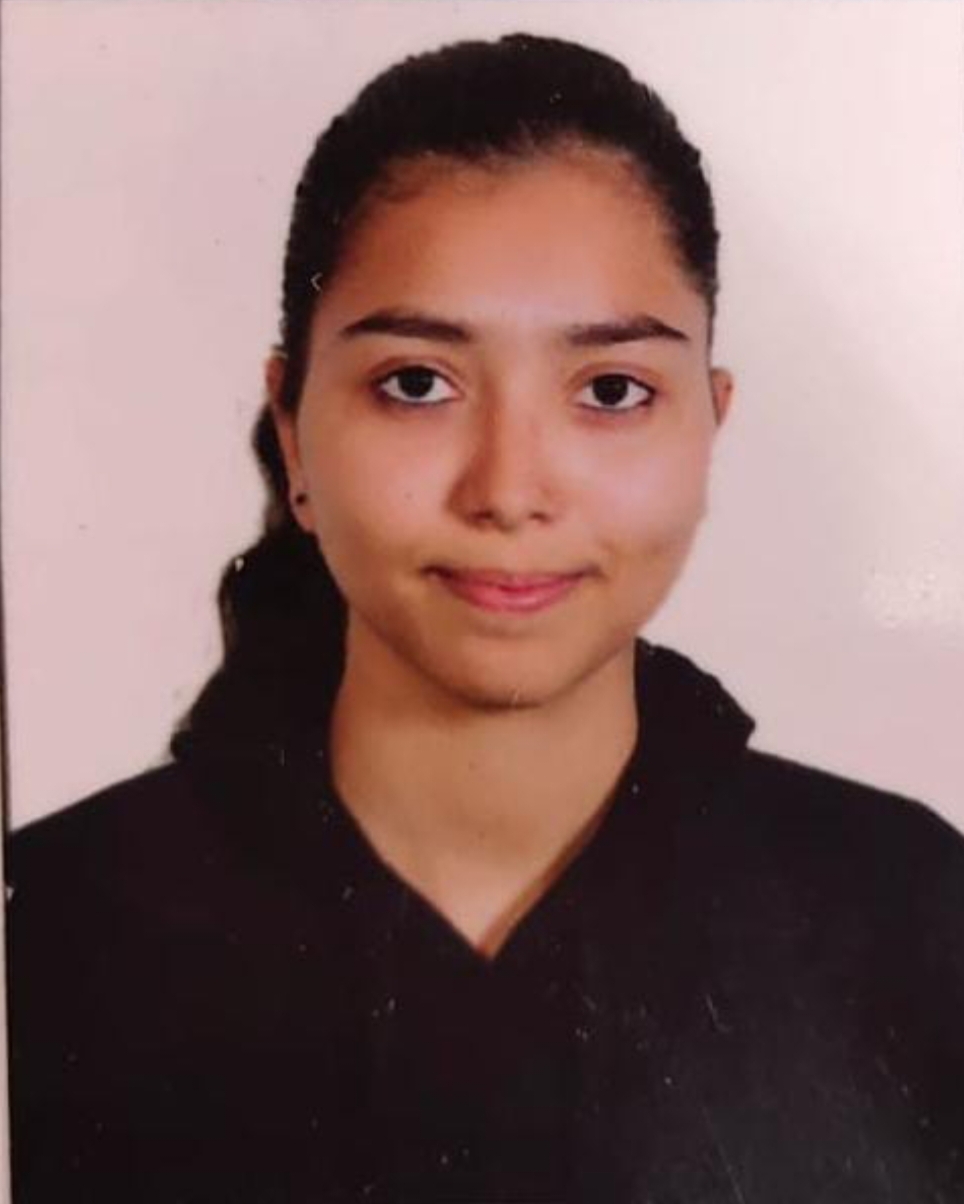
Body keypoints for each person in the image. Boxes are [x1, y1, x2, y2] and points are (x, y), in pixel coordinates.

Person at [6, 32, 963, 1204]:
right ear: (294, 430)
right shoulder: (46, 929)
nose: (509, 490)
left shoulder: (906, 912)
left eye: (611, 390)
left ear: (709, 425)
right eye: (417, 383)